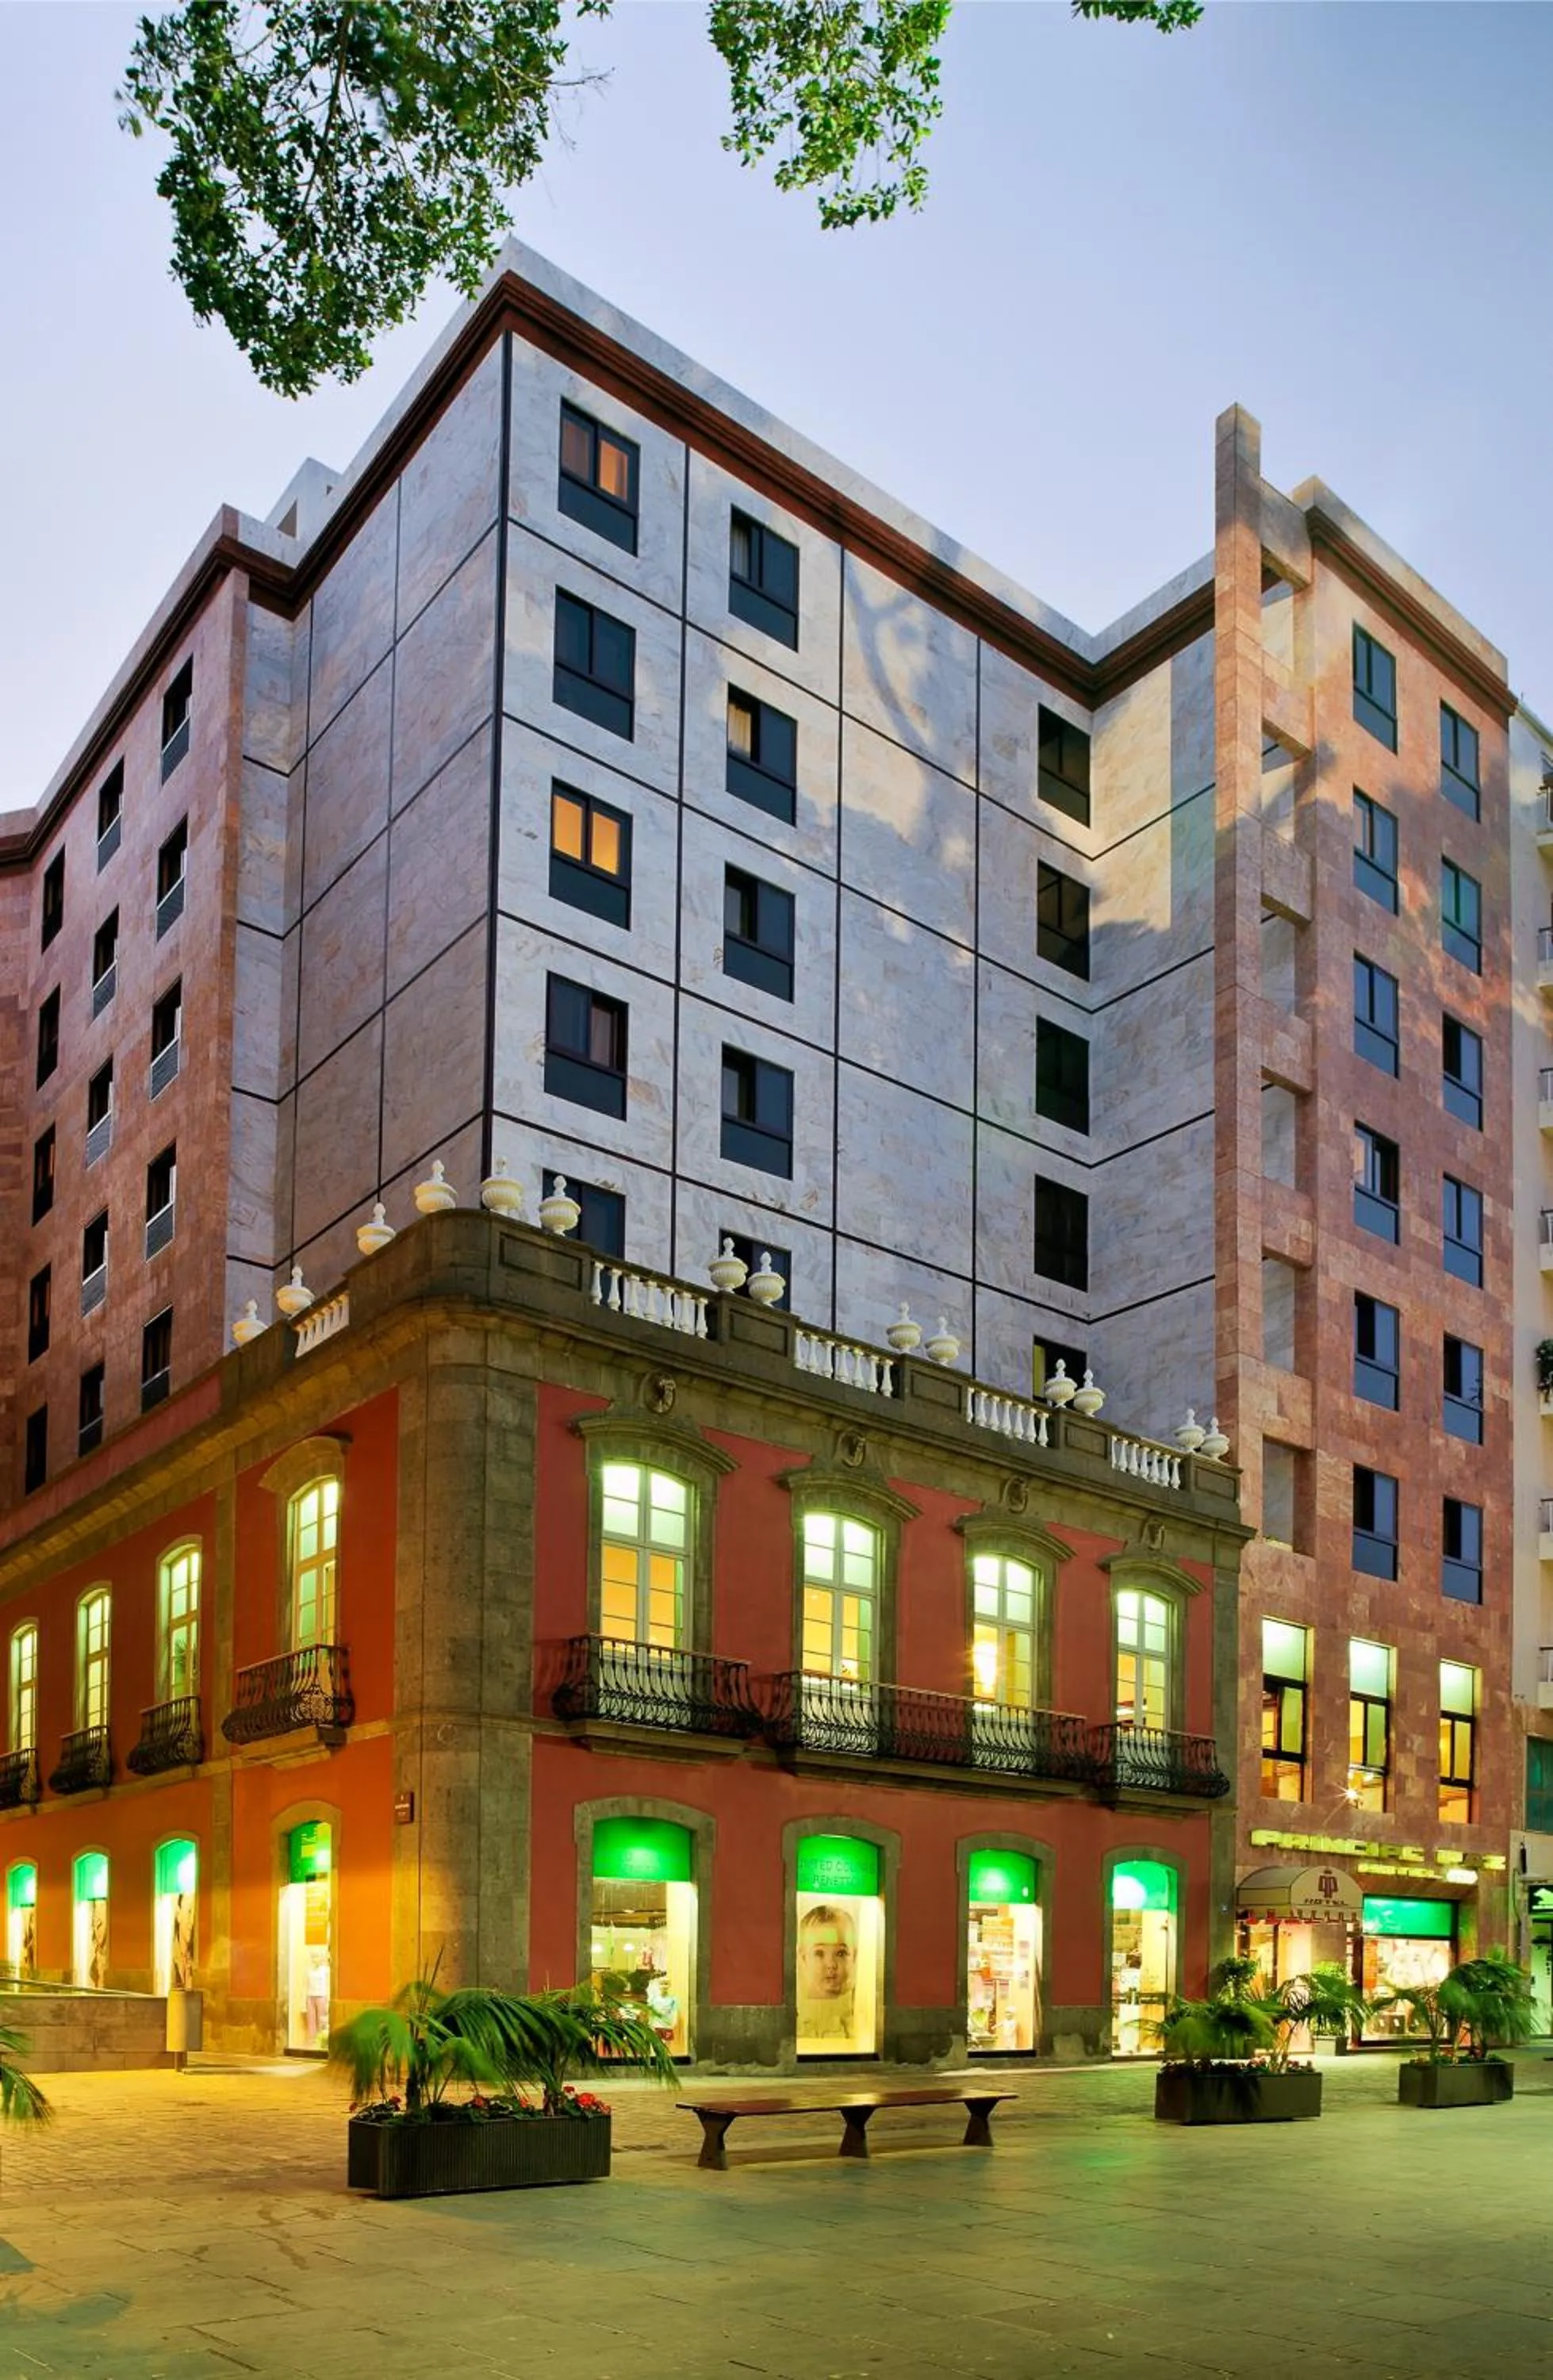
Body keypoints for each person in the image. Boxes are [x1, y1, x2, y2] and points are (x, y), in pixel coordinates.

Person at [796, 1902, 861, 2046]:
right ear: (803, 1957)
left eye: (841, 1953)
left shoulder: (859, 2006)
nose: (831, 1964)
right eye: (819, 1953)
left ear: (854, 1956)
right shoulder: (797, 2007)